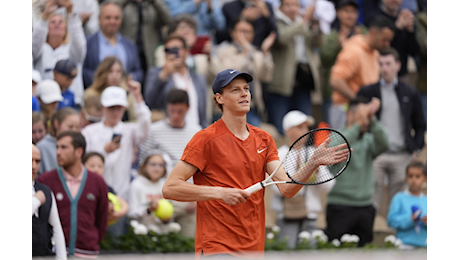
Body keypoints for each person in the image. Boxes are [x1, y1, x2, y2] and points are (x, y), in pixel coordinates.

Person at [162, 69, 350, 257]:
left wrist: (312, 163)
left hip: (253, 249)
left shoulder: (264, 139)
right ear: (219, 98)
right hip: (216, 247)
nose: (244, 94)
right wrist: (219, 192)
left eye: (246, 89)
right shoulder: (204, 139)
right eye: (235, 90)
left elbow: (287, 189)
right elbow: (170, 187)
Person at [357, 47, 426, 212]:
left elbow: (420, 123)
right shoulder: (368, 91)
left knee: (397, 204)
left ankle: (393, 238)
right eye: (381, 64)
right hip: (375, 154)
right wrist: (367, 112)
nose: (385, 68)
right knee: (370, 199)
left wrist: (416, 147)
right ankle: (369, 234)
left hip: (401, 153)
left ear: (398, 65)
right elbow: (355, 121)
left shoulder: (409, 91)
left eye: (388, 64)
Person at [325, 97, 389, 247]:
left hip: (365, 206)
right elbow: (337, 148)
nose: (365, 119)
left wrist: (372, 119)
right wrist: (357, 125)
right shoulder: (336, 136)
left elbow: (385, 143)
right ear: (350, 115)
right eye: (362, 114)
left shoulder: (368, 139)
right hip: (339, 206)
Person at [140, 89, 202, 238]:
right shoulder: (154, 131)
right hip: (161, 196)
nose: (175, 115)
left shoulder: (197, 132)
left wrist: (197, 197)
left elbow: (203, 168)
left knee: (189, 245)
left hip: (189, 199)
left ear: (188, 108)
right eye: (172, 110)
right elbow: (143, 164)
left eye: (180, 111)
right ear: (167, 107)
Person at [37, 131, 109, 258]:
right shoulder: (46, 180)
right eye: (57, 147)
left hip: (87, 253)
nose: (58, 152)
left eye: (64, 147)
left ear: (79, 152)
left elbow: (102, 218)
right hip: (56, 253)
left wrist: (92, 240)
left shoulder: (98, 182)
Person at [271, 110, 336, 249]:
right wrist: (302, 175)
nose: (305, 131)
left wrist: (316, 172)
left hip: (311, 214)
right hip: (286, 214)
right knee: (286, 253)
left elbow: (329, 186)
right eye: (299, 127)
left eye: (306, 127)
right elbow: (275, 188)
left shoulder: (314, 152)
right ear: (288, 130)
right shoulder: (279, 154)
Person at [82, 85, 151, 202]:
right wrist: (104, 152)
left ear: (124, 109)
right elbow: (85, 161)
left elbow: (145, 124)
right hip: (94, 192)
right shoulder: (89, 132)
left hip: (123, 193)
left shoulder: (130, 130)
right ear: (103, 108)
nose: (115, 112)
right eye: (111, 108)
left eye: (119, 108)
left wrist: (138, 97)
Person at [328, 14, 395, 130]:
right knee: (343, 147)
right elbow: (335, 80)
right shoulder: (354, 51)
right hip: (345, 110)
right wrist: (357, 100)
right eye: (384, 40)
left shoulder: (375, 53)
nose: (387, 44)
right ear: (373, 33)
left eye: (389, 41)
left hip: (363, 112)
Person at [268, 0, 322, 135]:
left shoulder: (304, 22)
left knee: (304, 123)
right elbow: (281, 38)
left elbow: (318, 43)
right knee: (280, 126)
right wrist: (303, 22)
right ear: (280, 7)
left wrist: (316, 27)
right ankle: (280, 155)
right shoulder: (275, 21)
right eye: (288, 5)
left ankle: (303, 155)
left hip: (303, 79)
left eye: (295, 5)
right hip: (282, 81)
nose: (292, 9)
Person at [211, 17, 276, 126]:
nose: (244, 35)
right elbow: (228, 76)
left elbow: (266, 76)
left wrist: (265, 52)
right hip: (227, 107)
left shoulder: (256, 53)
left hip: (252, 106)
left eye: (248, 32)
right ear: (232, 33)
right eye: (241, 31)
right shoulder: (223, 51)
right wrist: (245, 53)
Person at [144, 35, 208, 129]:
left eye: (175, 49)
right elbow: (149, 102)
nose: (172, 53)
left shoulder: (198, 78)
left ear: (186, 52)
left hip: (196, 134)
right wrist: (163, 75)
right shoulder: (156, 74)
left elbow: (203, 113)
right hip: (170, 135)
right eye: (167, 50)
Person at [320, 0, 367, 124]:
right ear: (338, 13)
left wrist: (358, 41)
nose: (350, 15)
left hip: (359, 91)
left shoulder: (363, 34)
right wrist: (339, 45)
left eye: (353, 12)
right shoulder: (331, 34)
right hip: (334, 94)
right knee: (334, 132)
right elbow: (324, 58)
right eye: (346, 11)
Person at [32, 0, 87, 106]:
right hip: (45, 103)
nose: (56, 24)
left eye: (61, 22)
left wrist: (71, 12)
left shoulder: (73, 50)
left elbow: (79, 41)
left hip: (72, 102)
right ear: (46, 28)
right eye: (52, 22)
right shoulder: (40, 49)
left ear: (66, 28)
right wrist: (45, 16)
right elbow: (35, 42)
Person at [83, 1, 144, 88]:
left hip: (124, 94)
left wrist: (132, 78)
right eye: (108, 17)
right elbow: (83, 70)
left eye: (116, 18)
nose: (112, 21)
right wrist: (101, 79)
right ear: (99, 19)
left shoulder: (129, 44)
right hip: (97, 94)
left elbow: (138, 71)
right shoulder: (88, 42)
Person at [129, 150, 180, 234]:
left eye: (161, 165)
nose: (157, 168)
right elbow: (131, 214)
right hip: (141, 234)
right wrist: (148, 209)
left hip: (162, 234)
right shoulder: (136, 185)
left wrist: (166, 219)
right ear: (144, 166)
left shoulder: (165, 185)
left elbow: (168, 213)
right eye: (153, 164)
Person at [114, 0, 172, 72]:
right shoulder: (125, 5)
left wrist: (155, 2)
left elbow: (168, 20)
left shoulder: (152, 5)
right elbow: (109, 9)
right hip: (129, 52)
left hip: (149, 54)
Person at [32, 144, 67, 260]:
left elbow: (57, 229)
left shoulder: (45, 191)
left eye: (37, 161)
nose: (34, 166)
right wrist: (36, 200)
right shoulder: (40, 195)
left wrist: (62, 258)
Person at [84, 56, 144, 122]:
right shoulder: (91, 94)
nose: (115, 76)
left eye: (118, 72)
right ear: (103, 73)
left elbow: (136, 119)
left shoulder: (127, 94)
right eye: (110, 71)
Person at [82, 152, 129, 231]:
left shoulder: (105, 187)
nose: (96, 169)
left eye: (100, 166)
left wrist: (117, 213)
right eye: (92, 166)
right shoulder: (79, 186)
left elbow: (125, 205)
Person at [387, 161, 427, 249]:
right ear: (406, 177)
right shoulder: (399, 198)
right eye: (410, 176)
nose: (414, 180)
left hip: (423, 246)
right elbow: (391, 221)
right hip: (403, 245)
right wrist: (410, 219)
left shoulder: (426, 200)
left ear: (425, 179)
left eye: (418, 176)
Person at [37, 107, 81, 175]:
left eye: (77, 127)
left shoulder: (79, 144)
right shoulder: (42, 147)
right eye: (70, 127)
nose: (74, 131)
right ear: (56, 124)